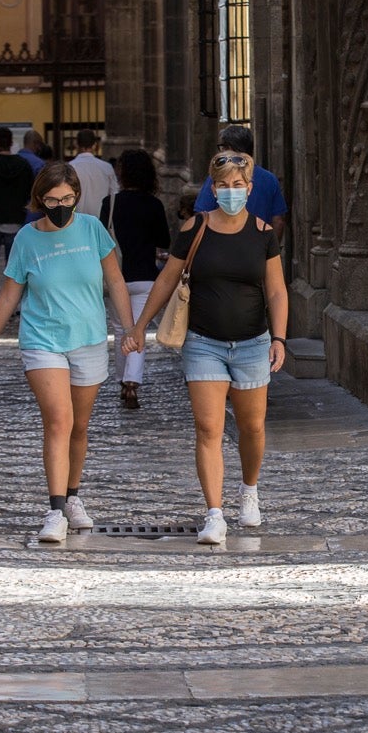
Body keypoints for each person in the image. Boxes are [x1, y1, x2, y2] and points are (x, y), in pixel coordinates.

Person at [125, 151, 288, 545]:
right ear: (213, 190)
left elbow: (276, 290)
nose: (231, 192)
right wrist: (139, 325)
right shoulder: (195, 228)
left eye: (238, 186)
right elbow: (166, 280)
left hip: (252, 343)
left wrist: (280, 338)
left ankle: (249, 489)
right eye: (223, 186)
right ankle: (214, 513)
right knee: (208, 428)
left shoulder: (264, 233)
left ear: (249, 189)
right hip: (202, 343)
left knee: (251, 427)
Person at [0, 162, 138, 542]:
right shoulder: (27, 240)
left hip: (88, 338)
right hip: (42, 340)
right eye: (52, 200)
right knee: (58, 421)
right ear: (40, 200)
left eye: (67, 199)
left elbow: (115, 280)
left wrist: (129, 329)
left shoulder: (92, 230)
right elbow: (9, 295)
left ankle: (73, 496)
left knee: (79, 427)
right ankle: (54, 510)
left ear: (77, 197)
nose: (61, 206)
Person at [109, 148, 170, 409]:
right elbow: (164, 241)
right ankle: (131, 382)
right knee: (139, 329)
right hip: (145, 275)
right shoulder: (153, 204)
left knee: (120, 330)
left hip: (116, 276)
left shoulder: (109, 203)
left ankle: (124, 378)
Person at [0, 127, 36, 319]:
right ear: (12, 142)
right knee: (15, 263)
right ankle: (12, 299)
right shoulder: (23, 165)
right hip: (17, 220)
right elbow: (30, 191)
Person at [193, 125, 287, 232]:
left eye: (223, 148)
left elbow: (201, 215)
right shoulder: (269, 179)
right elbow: (278, 221)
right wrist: (271, 247)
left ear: (230, 149)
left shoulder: (218, 178)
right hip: (260, 244)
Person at [69, 129, 120, 225]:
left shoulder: (70, 168)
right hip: (100, 221)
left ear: (76, 144)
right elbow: (114, 195)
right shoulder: (106, 167)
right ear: (94, 145)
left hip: (76, 222)